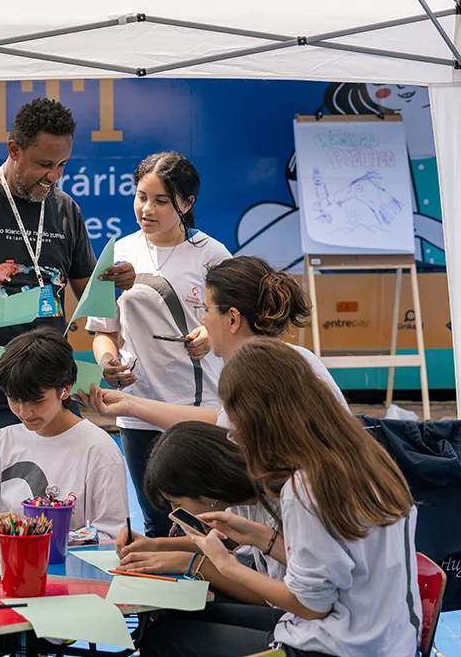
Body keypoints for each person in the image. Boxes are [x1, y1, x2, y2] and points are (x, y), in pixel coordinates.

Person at [140, 338, 421, 657]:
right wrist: (261, 537)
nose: (234, 436)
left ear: (261, 419)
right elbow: (341, 564)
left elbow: (312, 606)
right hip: (387, 640)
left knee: (164, 640)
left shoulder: (305, 487)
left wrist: (223, 566)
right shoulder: (365, 456)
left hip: (338, 647)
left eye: (236, 422)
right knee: (183, 618)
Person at [0, 98, 135, 492]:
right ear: (14, 150)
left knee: (56, 505)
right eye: (43, 164)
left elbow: (91, 295)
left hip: (52, 389)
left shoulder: (66, 211)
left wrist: (119, 281)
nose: (52, 177)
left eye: (62, 166)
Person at [85, 152, 231, 538]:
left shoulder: (213, 256)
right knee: (156, 522)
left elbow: (235, 326)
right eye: (141, 197)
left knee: (205, 526)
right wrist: (107, 362)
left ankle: (209, 597)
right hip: (138, 411)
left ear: (187, 204)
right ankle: (162, 600)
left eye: (161, 201)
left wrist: (208, 336)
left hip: (199, 411)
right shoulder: (118, 254)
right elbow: (103, 331)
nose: (146, 209)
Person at [81, 256, 349, 434]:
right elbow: (221, 422)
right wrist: (129, 404)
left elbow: (222, 431)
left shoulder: (249, 372)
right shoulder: (297, 357)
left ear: (232, 318)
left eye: (206, 309)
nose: (202, 319)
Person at [0, 327, 128, 540]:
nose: (24, 412)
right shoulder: (3, 442)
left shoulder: (98, 450)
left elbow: (113, 535)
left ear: (65, 389)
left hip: (68, 571)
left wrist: (33, 532)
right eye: (14, 399)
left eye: (36, 400)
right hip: (6, 567)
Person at [114, 421, 284, 607]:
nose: (174, 512)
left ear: (207, 491)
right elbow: (227, 544)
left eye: (177, 503)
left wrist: (193, 564)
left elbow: (277, 601)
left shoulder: (277, 510)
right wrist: (155, 545)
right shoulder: (241, 497)